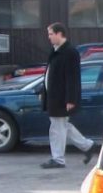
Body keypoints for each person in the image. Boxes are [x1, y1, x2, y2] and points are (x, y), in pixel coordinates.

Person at [39, 22, 97, 168]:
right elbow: (50, 74)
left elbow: (73, 78)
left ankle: (58, 159)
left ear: (59, 34)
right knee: (63, 125)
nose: (49, 37)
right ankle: (88, 146)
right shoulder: (56, 50)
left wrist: (70, 99)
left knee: (57, 128)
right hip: (53, 97)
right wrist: (43, 92)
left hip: (61, 98)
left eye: (51, 34)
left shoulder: (70, 52)